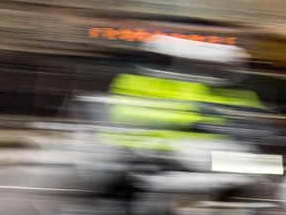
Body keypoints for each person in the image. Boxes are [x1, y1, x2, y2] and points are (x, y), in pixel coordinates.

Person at [106, 35, 263, 152]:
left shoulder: (238, 95)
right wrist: (195, 122)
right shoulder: (133, 82)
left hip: (205, 153)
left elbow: (256, 122)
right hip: (139, 151)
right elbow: (124, 113)